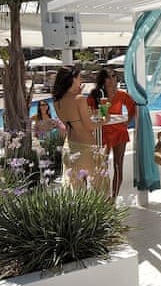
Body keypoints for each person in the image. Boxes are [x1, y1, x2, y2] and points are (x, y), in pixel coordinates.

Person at [52, 66, 108, 193]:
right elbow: (89, 126)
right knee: (100, 190)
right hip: (86, 149)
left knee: (77, 193)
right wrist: (105, 119)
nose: (81, 80)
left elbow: (72, 121)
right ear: (72, 79)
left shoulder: (57, 100)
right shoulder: (79, 99)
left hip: (69, 147)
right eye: (79, 77)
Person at [86, 69, 137, 199]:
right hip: (103, 133)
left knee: (118, 166)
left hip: (119, 132)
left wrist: (127, 123)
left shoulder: (121, 95)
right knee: (101, 165)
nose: (112, 79)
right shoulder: (95, 95)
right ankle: (102, 197)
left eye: (114, 76)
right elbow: (88, 113)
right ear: (103, 80)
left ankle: (113, 199)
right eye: (108, 77)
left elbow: (133, 108)